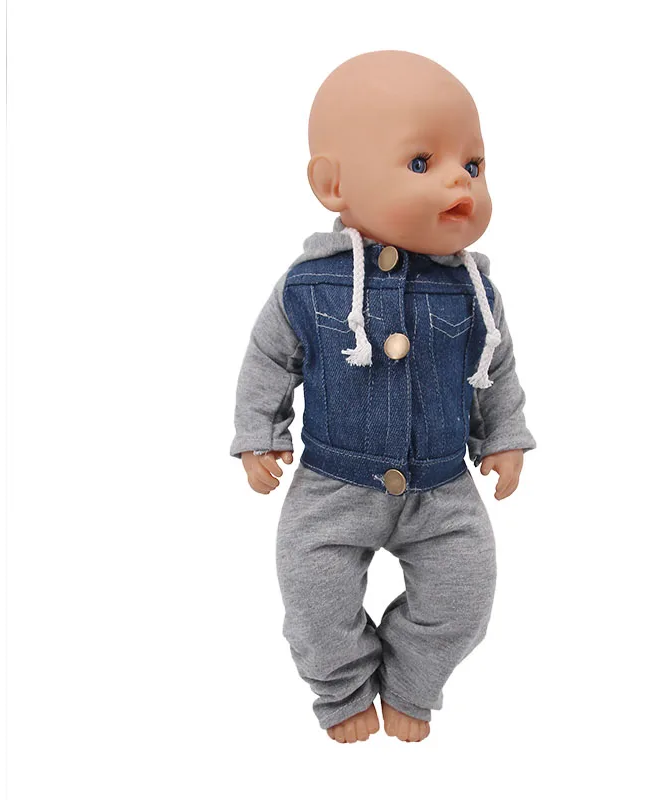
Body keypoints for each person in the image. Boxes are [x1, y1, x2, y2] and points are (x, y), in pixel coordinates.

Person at [230, 50, 536, 743]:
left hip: (442, 488)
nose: (460, 179)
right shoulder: (308, 285)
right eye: (422, 162)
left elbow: (496, 368)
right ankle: (341, 689)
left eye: (474, 164)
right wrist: (259, 434)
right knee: (313, 601)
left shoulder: (476, 292)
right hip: (331, 486)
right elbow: (268, 361)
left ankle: (412, 684)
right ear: (332, 184)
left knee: (465, 598)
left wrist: (504, 436)